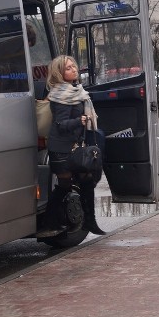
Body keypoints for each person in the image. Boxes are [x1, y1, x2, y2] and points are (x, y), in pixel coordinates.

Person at [38, 55, 106, 237]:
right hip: (61, 149)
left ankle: (89, 221)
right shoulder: (61, 95)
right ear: (59, 73)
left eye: (74, 66)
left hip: (74, 145)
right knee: (65, 185)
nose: (74, 69)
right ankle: (51, 223)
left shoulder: (76, 91)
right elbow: (61, 124)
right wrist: (80, 120)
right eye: (68, 68)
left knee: (87, 179)